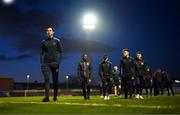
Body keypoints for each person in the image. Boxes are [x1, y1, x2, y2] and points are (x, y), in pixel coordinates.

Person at [40, 26, 63, 102]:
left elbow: (61, 52)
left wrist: (58, 62)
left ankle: (55, 96)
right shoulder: (43, 42)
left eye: (50, 30)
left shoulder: (57, 41)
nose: (49, 31)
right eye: (47, 30)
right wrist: (41, 63)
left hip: (55, 63)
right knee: (46, 80)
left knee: (55, 80)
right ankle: (47, 97)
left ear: (53, 32)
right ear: (47, 32)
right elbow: (41, 53)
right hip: (46, 63)